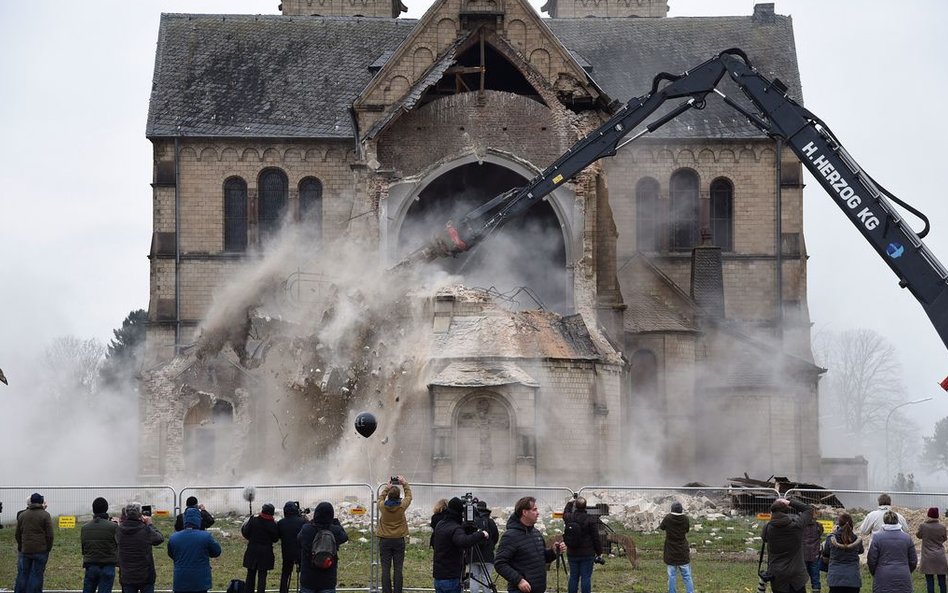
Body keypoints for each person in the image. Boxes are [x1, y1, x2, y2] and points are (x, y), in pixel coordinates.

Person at [495, 496, 566, 593]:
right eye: (534, 510)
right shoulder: (510, 536)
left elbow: (542, 557)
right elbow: (500, 563)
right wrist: (519, 581)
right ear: (524, 512)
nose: (538, 513)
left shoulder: (536, 533)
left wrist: (553, 551)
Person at [431, 497, 490, 593]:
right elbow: (464, 541)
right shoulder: (455, 528)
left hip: (439, 576)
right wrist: (481, 534)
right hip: (451, 577)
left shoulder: (440, 524)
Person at [763, 497, 813, 593]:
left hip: (777, 574)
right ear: (786, 511)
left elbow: (764, 539)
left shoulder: (767, 527)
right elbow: (808, 510)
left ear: (772, 511)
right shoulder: (797, 525)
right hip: (796, 574)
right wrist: (789, 502)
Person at [167, 507, 222, 593]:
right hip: (200, 581)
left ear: (185, 520)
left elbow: (171, 554)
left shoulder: (174, 537)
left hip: (180, 580)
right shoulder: (206, 536)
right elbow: (217, 551)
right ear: (199, 520)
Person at [298, 501, 349, 593]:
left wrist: (311, 522)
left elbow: (299, 538)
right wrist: (336, 523)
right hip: (328, 579)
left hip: (308, 578)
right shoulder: (335, 530)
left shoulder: (307, 529)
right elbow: (344, 537)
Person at [116, 502, 165, 593]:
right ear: (140, 514)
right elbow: (159, 539)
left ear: (126, 514)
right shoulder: (145, 530)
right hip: (145, 575)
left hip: (127, 575)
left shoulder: (119, 530)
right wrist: (150, 524)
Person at [377, 475, 412, 593]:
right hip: (398, 540)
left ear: (388, 496)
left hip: (385, 540)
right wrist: (404, 483)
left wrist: (387, 488)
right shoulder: (401, 506)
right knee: (398, 569)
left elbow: (379, 499)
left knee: (385, 570)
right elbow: (409, 496)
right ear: (398, 497)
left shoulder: (382, 506)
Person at [867, 510, 916, 592]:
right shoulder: (907, 538)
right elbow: (913, 561)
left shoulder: (877, 537)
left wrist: (876, 572)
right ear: (897, 521)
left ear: (884, 521)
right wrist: (906, 569)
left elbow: (871, 560)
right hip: (903, 576)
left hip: (882, 576)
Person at [14, 492, 53, 593]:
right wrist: (47, 548)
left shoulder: (22, 515)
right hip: (41, 550)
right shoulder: (45, 515)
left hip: (25, 550)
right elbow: (50, 535)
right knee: (37, 575)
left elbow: (17, 534)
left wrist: (21, 546)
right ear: (40, 502)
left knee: (23, 574)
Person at [562, 496, 603, 593]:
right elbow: (595, 538)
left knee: (573, 577)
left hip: (572, 552)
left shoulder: (569, 518)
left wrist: (570, 502)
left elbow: (565, 513)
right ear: (586, 507)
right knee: (586, 577)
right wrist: (599, 552)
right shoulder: (590, 519)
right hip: (587, 553)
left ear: (575, 506)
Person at [81, 497, 119, 593]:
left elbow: (84, 548)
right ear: (106, 508)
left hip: (91, 565)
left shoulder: (85, 527)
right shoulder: (113, 527)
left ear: (93, 509)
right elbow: (118, 545)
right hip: (108, 565)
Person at [821, 512, 864, 593]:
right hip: (853, 579)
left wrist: (833, 533)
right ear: (852, 525)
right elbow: (861, 551)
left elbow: (825, 555)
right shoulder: (857, 539)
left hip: (835, 579)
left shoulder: (831, 538)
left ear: (838, 525)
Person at [242, 503, 280, 593]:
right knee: (262, 577)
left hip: (252, 551)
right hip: (265, 553)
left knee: (250, 575)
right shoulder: (273, 524)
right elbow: (275, 539)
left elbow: (246, 533)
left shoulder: (253, 520)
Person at [659, 501, 694, 593]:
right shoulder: (685, 519)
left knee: (672, 575)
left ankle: (672, 591)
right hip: (682, 550)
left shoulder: (668, 518)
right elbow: (686, 530)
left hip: (670, 551)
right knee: (687, 575)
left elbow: (661, 527)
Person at [468, 500, 500, 593]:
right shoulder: (490, 522)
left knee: (474, 578)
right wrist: (490, 546)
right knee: (487, 579)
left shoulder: (471, 522)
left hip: (473, 554)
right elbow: (495, 537)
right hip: (487, 555)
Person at [278, 501, 309, 593]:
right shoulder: (303, 521)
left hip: (287, 553)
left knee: (285, 574)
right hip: (301, 552)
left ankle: (283, 590)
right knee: (304, 573)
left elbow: (278, 536)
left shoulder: (281, 523)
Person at [916, 507, 947, 593]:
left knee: (930, 582)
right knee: (942, 582)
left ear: (928, 515)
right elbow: (944, 538)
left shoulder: (923, 526)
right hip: (940, 557)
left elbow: (918, 535)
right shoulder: (942, 527)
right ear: (937, 516)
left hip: (927, 557)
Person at [803, 510, 825, 593]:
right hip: (814, 554)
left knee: (801, 578)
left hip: (803, 554)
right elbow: (820, 534)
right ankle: (816, 590)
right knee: (815, 577)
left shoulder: (801, 526)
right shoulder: (819, 525)